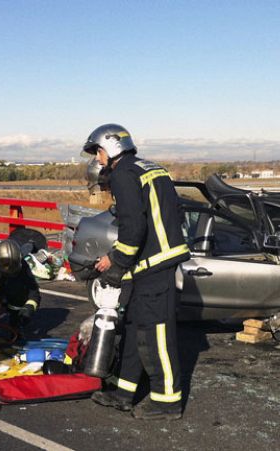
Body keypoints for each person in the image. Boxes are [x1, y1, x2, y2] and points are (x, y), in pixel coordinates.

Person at [83, 124, 190, 421]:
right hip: (155, 260)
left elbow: (133, 226)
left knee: (156, 332)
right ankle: (123, 392)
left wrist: (114, 260)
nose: (98, 158)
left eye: (98, 151)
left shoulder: (122, 174)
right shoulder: (149, 168)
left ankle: (168, 401)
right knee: (132, 325)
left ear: (112, 147)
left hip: (155, 263)